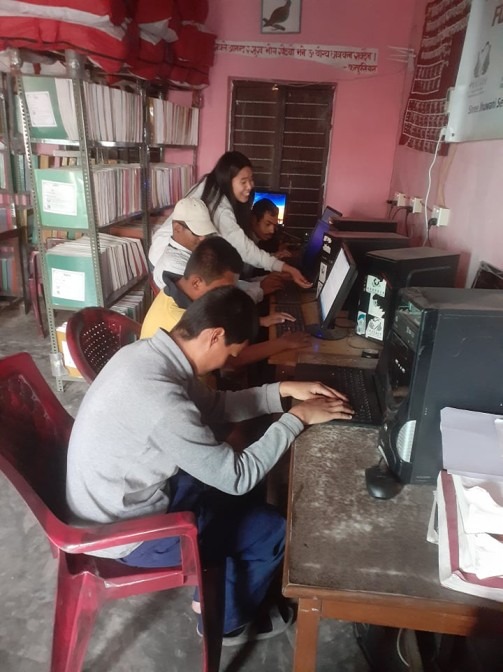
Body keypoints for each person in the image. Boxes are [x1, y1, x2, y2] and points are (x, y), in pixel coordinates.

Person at [66, 285, 353, 643]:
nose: (227, 363)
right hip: (124, 532)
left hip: (124, 496)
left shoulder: (150, 355)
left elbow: (216, 405)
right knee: (273, 526)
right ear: (214, 335)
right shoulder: (162, 401)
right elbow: (236, 477)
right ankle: (225, 623)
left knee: (245, 486)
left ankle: (218, 585)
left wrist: (282, 392)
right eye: (230, 353)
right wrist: (296, 419)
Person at [149, 151, 310, 289]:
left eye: (251, 180)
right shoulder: (219, 206)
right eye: (243, 182)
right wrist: (285, 268)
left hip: (169, 257)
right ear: (228, 179)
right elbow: (244, 249)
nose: (250, 186)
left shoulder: (211, 185)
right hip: (169, 261)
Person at [142, 236, 311, 368]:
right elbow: (231, 360)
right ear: (196, 282)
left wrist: (260, 321)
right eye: (222, 290)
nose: (227, 297)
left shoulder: (172, 293)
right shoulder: (182, 322)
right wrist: (283, 343)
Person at [151, 196, 217, 288]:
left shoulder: (187, 253)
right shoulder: (174, 266)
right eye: (196, 232)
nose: (203, 238)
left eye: (205, 233)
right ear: (177, 228)